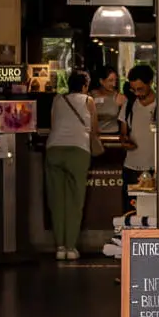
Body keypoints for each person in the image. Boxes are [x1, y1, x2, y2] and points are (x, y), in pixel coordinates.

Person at [45, 70, 94, 260]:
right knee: (75, 200)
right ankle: (71, 247)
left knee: (56, 201)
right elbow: (95, 128)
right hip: (78, 150)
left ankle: (59, 247)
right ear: (84, 86)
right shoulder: (88, 100)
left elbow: (52, 124)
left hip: (54, 149)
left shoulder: (58, 99)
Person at [120, 64, 158, 198]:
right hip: (131, 167)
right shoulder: (129, 105)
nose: (137, 93)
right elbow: (124, 133)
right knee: (130, 211)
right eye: (134, 89)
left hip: (156, 168)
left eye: (140, 89)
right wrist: (125, 141)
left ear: (151, 83)